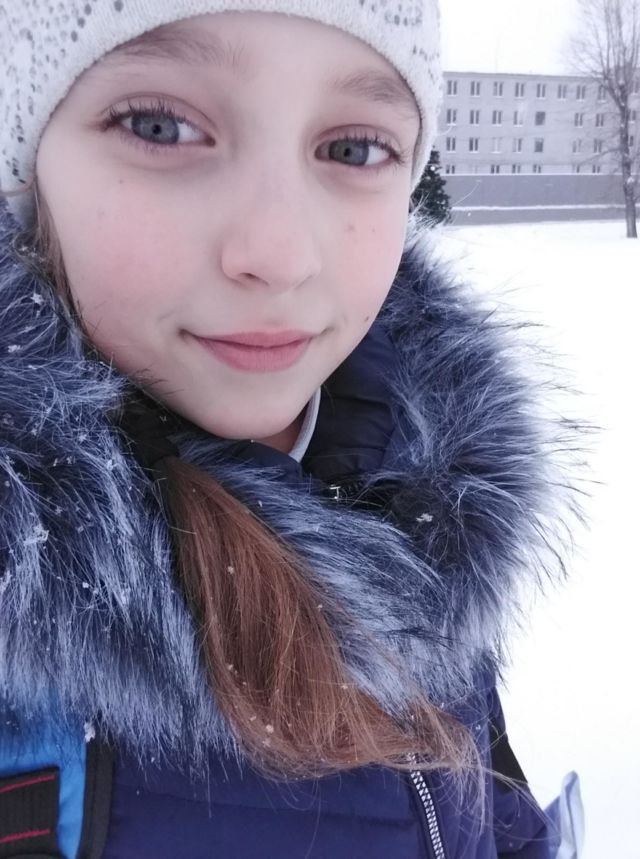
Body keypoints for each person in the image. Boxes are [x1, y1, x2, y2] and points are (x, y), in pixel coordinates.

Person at [0, 3, 582, 857]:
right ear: (29, 167)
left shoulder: (424, 504)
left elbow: (489, 816)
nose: (279, 256)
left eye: (354, 148)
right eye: (160, 126)